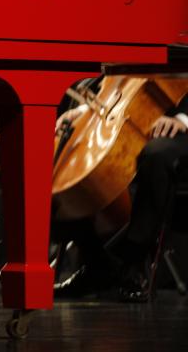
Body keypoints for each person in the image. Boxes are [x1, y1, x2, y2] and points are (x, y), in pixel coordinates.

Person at [53, 76, 188, 302]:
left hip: (180, 129)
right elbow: (120, 82)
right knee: (65, 161)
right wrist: (87, 109)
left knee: (157, 153)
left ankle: (134, 263)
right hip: (137, 117)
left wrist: (184, 119)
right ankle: (97, 264)